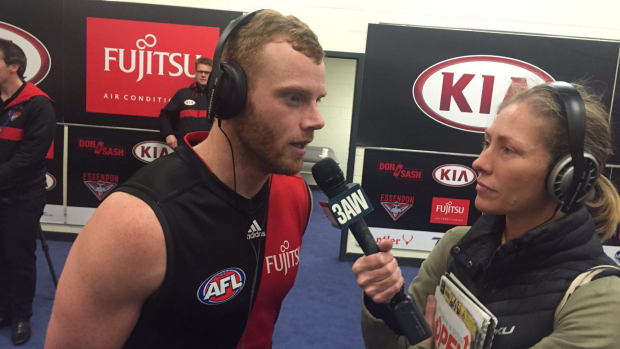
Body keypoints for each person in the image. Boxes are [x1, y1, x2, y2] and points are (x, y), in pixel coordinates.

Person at [45, 9, 325, 349]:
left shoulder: (297, 196)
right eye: (294, 97)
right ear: (229, 96)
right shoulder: (134, 224)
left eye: (317, 99)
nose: (316, 120)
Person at [353, 82, 620, 349]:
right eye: (487, 142)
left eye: (508, 150)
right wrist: (385, 305)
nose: (479, 162)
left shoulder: (601, 301)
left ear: (569, 177)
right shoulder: (456, 245)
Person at [0, 39, 56, 346]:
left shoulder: (39, 104)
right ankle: (4, 310)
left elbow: (28, 160)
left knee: (19, 258)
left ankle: (21, 316)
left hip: (23, 198)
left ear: (14, 66)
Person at [159, 57, 214, 149]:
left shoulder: (217, 96)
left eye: (207, 72)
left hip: (209, 148)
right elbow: (165, 114)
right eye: (200, 72)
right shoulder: (183, 94)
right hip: (185, 148)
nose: (203, 75)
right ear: (196, 73)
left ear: (212, 75)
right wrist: (168, 134)